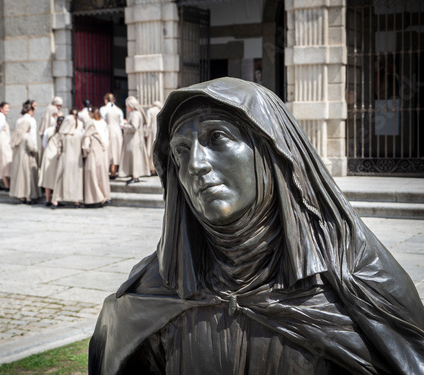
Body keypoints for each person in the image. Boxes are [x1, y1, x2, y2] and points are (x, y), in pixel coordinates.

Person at [88, 78, 424, 374]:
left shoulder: (361, 284)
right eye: (181, 150)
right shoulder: (152, 292)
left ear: (270, 151)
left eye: (217, 138)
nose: (196, 165)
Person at [51, 112, 84, 209]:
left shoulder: (62, 135)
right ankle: (76, 201)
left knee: (59, 180)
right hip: (76, 160)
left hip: (64, 159)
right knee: (76, 180)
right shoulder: (79, 135)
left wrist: (58, 157)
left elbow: (58, 148)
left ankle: (56, 201)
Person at [9, 107, 39, 204]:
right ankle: (28, 197)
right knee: (27, 178)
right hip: (26, 159)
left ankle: (21, 197)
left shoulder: (15, 135)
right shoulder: (26, 136)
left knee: (19, 178)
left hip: (17, 160)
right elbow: (32, 148)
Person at [118, 96, 151, 185]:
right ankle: (134, 175)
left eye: (127, 105)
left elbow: (134, 127)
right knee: (134, 158)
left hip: (133, 140)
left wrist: (124, 126)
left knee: (135, 158)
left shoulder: (135, 114)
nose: (126, 107)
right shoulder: (136, 113)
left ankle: (135, 176)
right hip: (134, 140)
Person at [82, 111, 111, 208]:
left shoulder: (87, 136)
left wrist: (84, 155)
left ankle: (98, 199)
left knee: (92, 179)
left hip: (92, 158)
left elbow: (85, 148)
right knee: (101, 178)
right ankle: (105, 196)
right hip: (101, 158)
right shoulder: (97, 134)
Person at [38, 116, 64, 206]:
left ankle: (48, 200)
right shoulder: (63, 132)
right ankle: (56, 200)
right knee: (57, 178)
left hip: (48, 154)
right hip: (57, 155)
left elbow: (44, 143)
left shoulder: (48, 130)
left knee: (48, 178)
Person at [100, 93, 124, 179]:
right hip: (117, 131)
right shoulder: (118, 110)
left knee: (109, 150)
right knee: (116, 150)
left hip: (108, 130)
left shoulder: (103, 109)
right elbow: (122, 123)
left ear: (106, 100)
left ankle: (111, 171)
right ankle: (115, 171)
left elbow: (102, 121)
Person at [145, 100, 162, 175]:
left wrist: (146, 134)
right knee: (158, 151)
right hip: (160, 134)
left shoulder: (150, 111)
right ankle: (159, 169)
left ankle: (152, 170)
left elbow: (148, 123)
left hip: (152, 133)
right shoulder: (161, 110)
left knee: (151, 151)